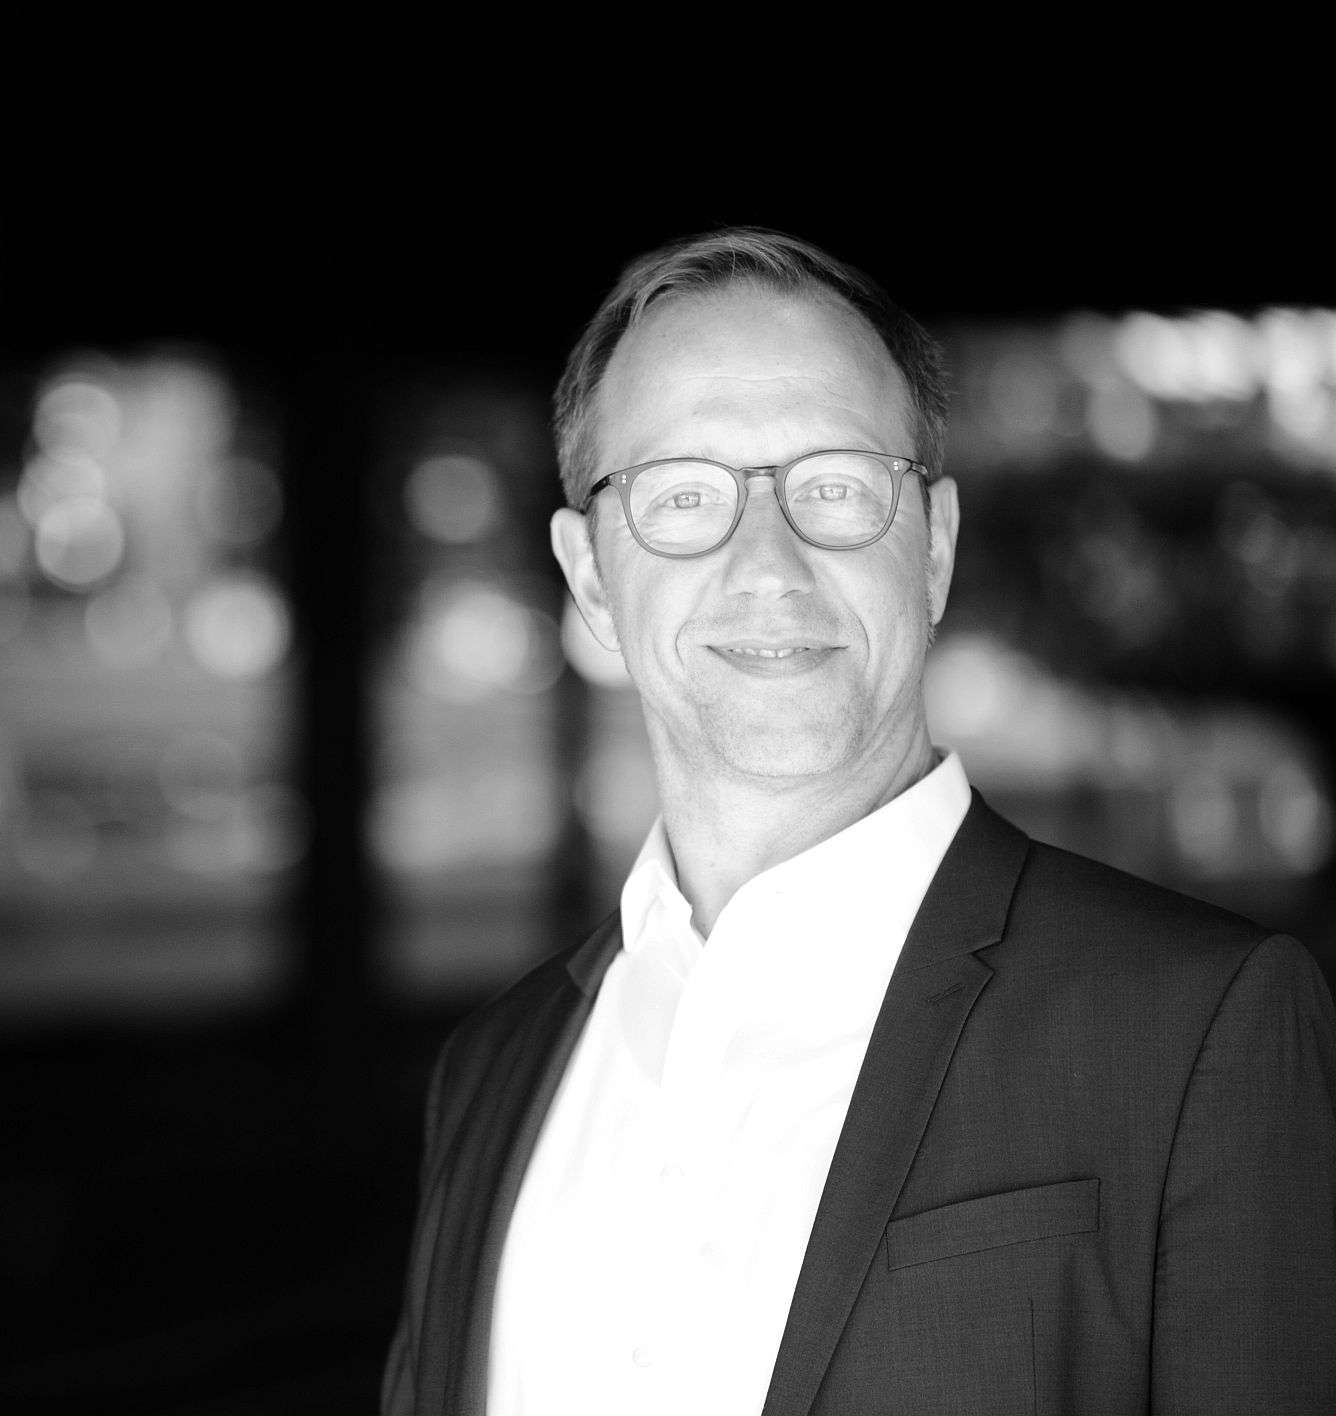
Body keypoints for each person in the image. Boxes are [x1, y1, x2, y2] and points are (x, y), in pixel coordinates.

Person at [380, 227, 1336, 1415]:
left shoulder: (1201, 1029)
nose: (766, 566)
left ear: (932, 546)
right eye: (683, 495)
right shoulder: (491, 1069)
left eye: (833, 485)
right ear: (589, 578)